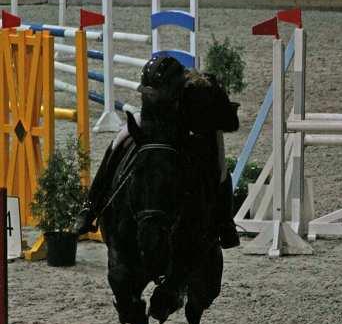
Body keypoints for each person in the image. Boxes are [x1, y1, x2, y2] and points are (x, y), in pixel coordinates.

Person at [75, 54, 240, 248]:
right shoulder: (153, 91)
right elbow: (149, 117)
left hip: (195, 126)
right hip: (161, 122)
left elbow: (230, 123)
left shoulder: (198, 94)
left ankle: (225, 223)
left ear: (172, 89)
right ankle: (90, 206)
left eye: (155, 93)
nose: (150, 95)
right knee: (119, 140)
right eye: (149, 92)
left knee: (220, 167)